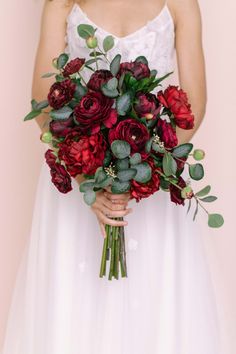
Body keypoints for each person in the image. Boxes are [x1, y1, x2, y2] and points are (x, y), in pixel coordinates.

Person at [2, 1, 222, 353]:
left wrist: (141, 174)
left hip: (152, 189)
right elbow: (43, 103)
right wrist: (87, 179)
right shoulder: (61, 3)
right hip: (77, 187)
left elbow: (194, 106)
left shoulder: (182, 4)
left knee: (154, 305)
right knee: (73, 304)